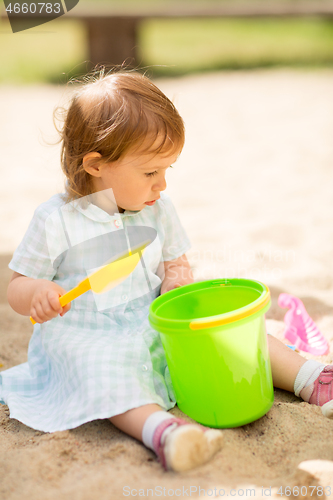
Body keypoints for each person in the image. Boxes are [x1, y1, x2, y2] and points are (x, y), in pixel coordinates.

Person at [1, 71, 333, 473]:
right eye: (149, 173)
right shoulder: (56, 220)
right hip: (86, 332)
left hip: (154, 318)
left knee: (232, 334)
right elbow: (16, 286)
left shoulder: (157, 208)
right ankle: (164, 433)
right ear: (96, 165)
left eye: (166, 171)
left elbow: (175, 260)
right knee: (102, 373)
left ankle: (313, 378)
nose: (161, 185)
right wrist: (37, 292)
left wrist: (175, 278)